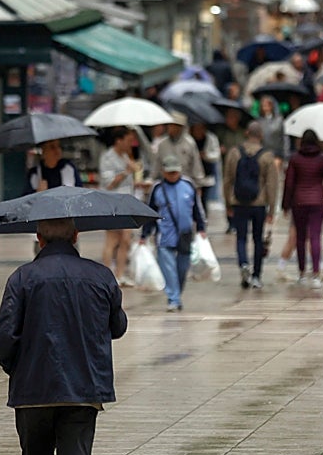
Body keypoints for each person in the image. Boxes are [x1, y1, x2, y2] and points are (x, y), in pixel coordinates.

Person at [0, 218, 128, 455]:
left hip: (32, 391)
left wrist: (16, 369)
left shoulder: (22, 278)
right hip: (83, 391)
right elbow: (117, 327)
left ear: (38, 238)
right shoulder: (100, 276)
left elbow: (5, 334)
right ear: (76, 236)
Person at [142, 153, 207, 312]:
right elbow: (151, 213)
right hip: (164, 235)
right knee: (168, 269)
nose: (173, 175)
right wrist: (145, 234)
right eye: (169, 172)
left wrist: (201, 228)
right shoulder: (157, 188)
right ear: (163, 172)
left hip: (185, 234)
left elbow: (197, 209)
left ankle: (176, 294)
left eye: (175, 172)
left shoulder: (188, 185)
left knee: (182, 268)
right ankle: (173, 298)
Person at [222, 121, 280, 289]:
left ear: (246, 133)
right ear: (261, 135)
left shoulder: (234, 153)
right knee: (257, 239)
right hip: (259, 203)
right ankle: (256, 276)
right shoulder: (267, 156)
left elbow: (227, 180)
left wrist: (228, 203)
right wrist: (271, 207)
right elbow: (272, 184)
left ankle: (243, 264)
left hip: (239, 202)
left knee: (240, 237)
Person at [282, 129, 323, 287]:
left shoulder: (295, 159)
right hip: (318, 200)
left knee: (300, 237)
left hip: (298, 201)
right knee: (315, 236)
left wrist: (285, 204)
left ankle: (301, 272)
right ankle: (316, 272)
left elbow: (289, 183)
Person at [98, 128, 140, 285]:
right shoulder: (107, 157)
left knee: (126, 239)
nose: (131, 144)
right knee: (112, 239)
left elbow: (129, 182)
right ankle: (108, 273)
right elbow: (108, 182)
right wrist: (126, 172)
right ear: (119, 141)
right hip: (112, 202)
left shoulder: (125, 156)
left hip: (126, 202)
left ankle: (120, 274)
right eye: (128, 141)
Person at [150, 112, 205, 184]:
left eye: (173, 125)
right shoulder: (162, 144)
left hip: (185, 181)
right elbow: (157, 164)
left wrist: (199, 182)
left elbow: (196, 164)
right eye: (169, 125)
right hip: (166, 182)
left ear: (180, 127)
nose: (170, 128)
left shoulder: (189, 143)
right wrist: (151, 178)